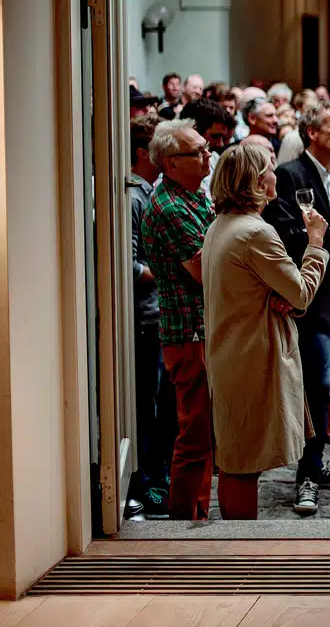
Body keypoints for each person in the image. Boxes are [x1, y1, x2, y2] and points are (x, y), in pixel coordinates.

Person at [203, 143, 328, 519]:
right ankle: (241, 552)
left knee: (235, 460)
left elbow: (254, 286)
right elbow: (302, 292)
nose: (278, 174)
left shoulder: (220, 225)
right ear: (259, 181)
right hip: (252, 358)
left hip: (230, 354)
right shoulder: (256, 233)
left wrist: (278, 297)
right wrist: (317, 243)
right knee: (243, 466)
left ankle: (232, 544)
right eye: (271, 168)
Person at [263, 103, 330, 515]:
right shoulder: (292, 174)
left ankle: (316, 465)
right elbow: (283, 231)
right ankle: (306, 474)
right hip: (310, 296)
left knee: (327, 385)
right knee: (317, 385)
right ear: (312, 134)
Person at [136, 120, 215, 520]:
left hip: (203, 327)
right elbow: (206, 272)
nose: (207, 156)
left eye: (206, 149)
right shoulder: (168, 206)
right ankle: (185, 522)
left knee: (205, 432)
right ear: (170, 163)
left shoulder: (194, 196)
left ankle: (199, 513)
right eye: (197, 151)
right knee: (195, 432)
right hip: (188, 331)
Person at [126, 115, 173, 519]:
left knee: (156, 406)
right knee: (144, 407)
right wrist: (169, 267)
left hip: (153, 315)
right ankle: (137, 488)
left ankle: (152, 481)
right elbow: (127, 264)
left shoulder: (146, 192)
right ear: (145, 153)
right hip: (142, 318)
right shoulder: (133, 197)